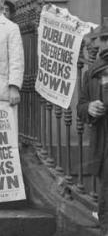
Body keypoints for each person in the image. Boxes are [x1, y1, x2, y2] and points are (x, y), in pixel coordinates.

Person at [78, 23, 108, 234]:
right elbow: (80, 105)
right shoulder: (92, 72)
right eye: (103, 40)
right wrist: (90, 107)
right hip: (103, 137)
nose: (103, 45)